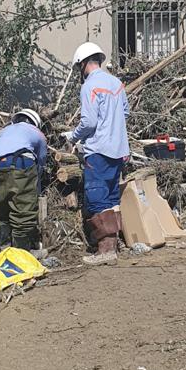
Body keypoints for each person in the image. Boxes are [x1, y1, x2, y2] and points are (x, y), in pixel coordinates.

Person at [62, 42, 129, 265]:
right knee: (111, 196)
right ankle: (114, 245)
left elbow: (89, 122)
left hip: (99, 150)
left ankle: (106, 250)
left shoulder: (89, 86)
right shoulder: (116, 83)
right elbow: (125, 113)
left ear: (82, 64)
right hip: (118, 150)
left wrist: (73, 136)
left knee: (97, 197)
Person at [0, 108, 47, 258]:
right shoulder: (38, 133)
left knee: (0, 208)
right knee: (23, 211)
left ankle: (4, 251)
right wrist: (36, 185)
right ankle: (22, 255)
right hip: (21, 163)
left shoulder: (4, 131)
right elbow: (41, 162)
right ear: (35, 122)